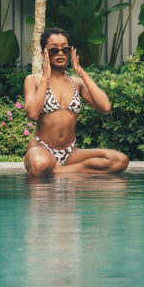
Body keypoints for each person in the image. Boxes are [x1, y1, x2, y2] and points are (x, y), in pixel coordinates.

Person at [23, 28, 129, 177]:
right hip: (41, 149)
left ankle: (58, 171)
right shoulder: (33, 80)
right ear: (43, 53)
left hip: (71, 153)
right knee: (40, 165)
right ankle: (64, 171)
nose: (60, 53)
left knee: (120, 160)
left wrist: (81, 72)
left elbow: (105, 107)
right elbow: (32, 115)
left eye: (65, 49)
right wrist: (45, 78)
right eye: (54, 50)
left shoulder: (76, 83)